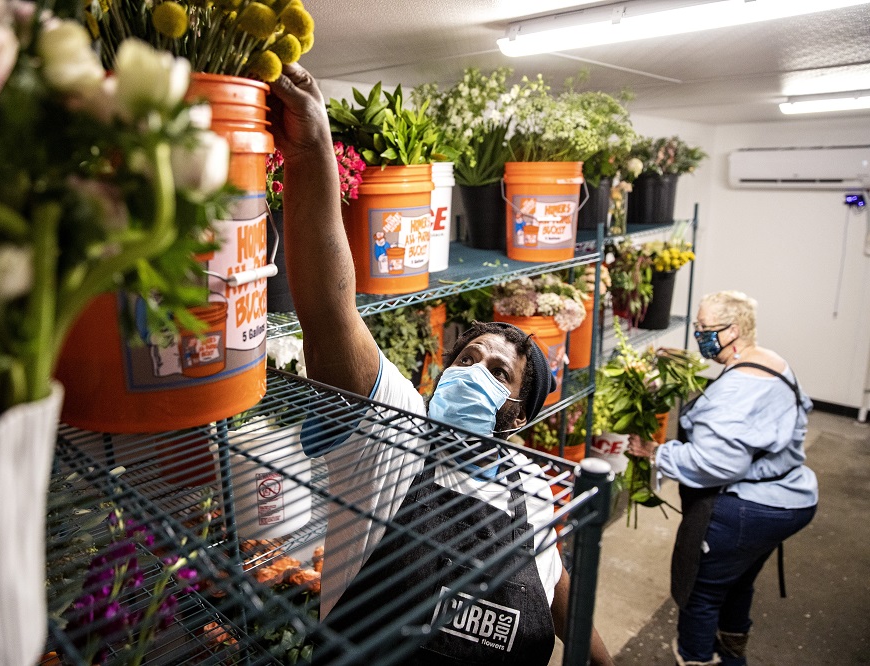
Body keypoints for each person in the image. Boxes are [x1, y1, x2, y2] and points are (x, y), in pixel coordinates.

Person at [267, 63, 613, 665]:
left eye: (497, 372)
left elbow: (558, 593)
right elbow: (327, 313)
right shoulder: (394, 434)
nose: (469, 371)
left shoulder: (528, 483)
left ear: (517, 415)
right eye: (467, 357)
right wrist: (312, 149)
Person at [627, 291, 818, 666]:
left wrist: (655, 451)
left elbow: (715, 463)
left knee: (701, 594)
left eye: (703, 328)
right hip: (792, 494)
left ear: (732, 331)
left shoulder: (736, 388)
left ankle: (696, 658)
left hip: (750, 507)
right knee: (737, 582)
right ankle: (733, 658)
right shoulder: (769, 362)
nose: (698, 334)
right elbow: (746, 422)